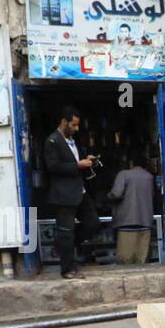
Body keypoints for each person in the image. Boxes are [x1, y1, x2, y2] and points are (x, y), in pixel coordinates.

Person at [42, 105, 99, 279]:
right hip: (63, 194)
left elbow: (77, 162)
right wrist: (77, 165)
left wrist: (88, 161)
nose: (76, 128)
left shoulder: (74, 141)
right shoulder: (52, 141)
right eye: (73, 125)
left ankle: (61, 247)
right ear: (64, 122)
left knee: (93, 223)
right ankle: (67, 269)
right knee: (66, 231)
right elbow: (52, 167)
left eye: (77, 125)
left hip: (79, 191)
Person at [108, 154, 155, 265]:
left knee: (126, 261)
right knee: (141, 259)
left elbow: (116, 194)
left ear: (131, 163)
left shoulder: (124, 174)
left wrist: (108, 196)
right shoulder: (149, 177)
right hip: (145, 221)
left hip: (127, 222)